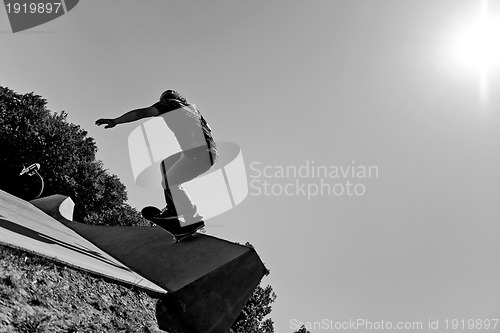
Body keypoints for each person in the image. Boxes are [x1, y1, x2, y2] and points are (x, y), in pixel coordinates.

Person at [95, 90, 218, 235]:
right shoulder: (193, 110)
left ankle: (189, 215)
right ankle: (177, 209)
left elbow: (140, 113)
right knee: (166, 164)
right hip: (207, 152)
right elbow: (208, 129)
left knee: (169, 181)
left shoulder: (169, 104)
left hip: (199, 154)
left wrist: (115, 121)